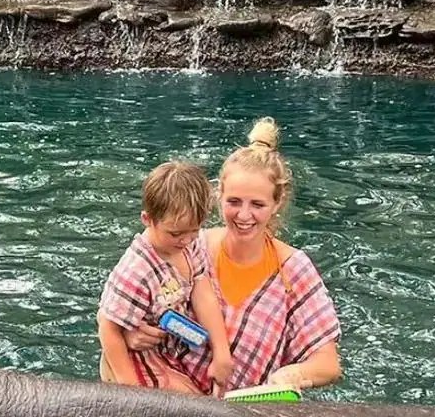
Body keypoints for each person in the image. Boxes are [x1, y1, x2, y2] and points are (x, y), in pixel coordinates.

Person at [125, 119, 342, 393]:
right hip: (170, 401)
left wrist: (293, 375)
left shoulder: (294, 271)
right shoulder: (189, 246)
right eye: (234, 202)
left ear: (277, 203)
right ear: (220, 196)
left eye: (258, 204)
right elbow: (122, 305)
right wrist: (132, 334)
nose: (243, 215)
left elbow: (328, 363)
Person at [97, 160, 233, 395]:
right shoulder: (137, 270)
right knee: (186, 406)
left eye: (194, 230)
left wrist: (221, 352)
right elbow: (108, 328)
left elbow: (203, 291)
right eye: (175, 233)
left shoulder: (191, 246)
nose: (186, 240)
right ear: (147, 219)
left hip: (170, 349)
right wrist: (131, 390)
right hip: (136, 359)